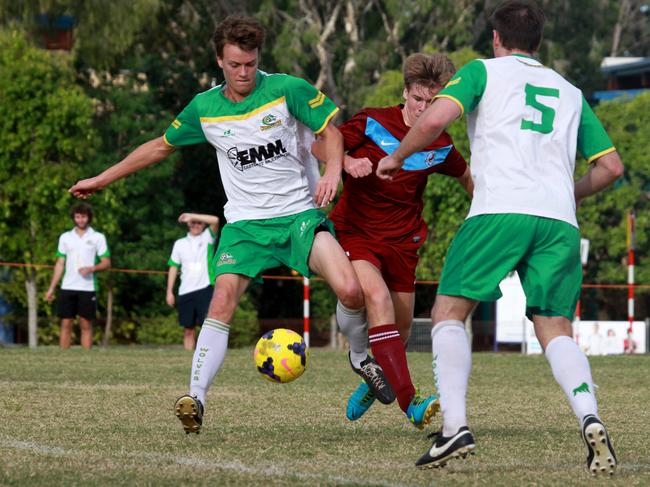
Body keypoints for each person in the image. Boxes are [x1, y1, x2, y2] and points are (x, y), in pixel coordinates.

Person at [69, 15, 408, 436]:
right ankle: (195, 398)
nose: (244, 72)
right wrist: (101, 179)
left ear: (257, 58)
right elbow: (159, 147)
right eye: (234, 65)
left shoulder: (286, 89)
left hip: (298, 216)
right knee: (222, 299)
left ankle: (360, 358)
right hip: (245, 226)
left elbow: (331, 133)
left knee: (351, 290)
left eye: (250, 63)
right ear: (219, 61)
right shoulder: (205, 108)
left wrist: (333, 171)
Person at [377, 0, 623, 474]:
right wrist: (565, 195)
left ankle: (454, 428)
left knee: (448, 312)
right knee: (554, 327)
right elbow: (610, 167)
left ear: (495, 38)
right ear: (538, 43)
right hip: (558, 222)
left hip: (499, 211)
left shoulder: (480, 72)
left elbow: (431, 121)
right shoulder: (570, 91)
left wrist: (398, 157)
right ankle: (589, 415)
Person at [313, 53, 472, 425]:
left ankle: (376, 378)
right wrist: (345, 163)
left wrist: (487, 211)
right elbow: (322, 144)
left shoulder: (441, 145)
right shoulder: (372, 121)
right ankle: (411, 402)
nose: (422, 109)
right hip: (357, 232)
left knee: (398, 335)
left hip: (403, 241)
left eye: (432, 103)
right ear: (405, 93)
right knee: (376, 298)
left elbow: (468, 179)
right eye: (417, 99)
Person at [45, 203, 111, 349]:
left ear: (89, 217)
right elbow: (59, 264)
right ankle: (63, 357)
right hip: (67, 286)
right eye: (78, 217)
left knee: (85, 324)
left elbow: (106, 263)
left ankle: (86, 358)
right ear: (74, 218)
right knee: (65, 323)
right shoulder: (65, 237)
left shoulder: (97, 237)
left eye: (84, 217)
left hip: (87, 287)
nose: (81, 220)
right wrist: (51, 288)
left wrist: (92, 268)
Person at [167, 212, 219, 350]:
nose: (196, 225)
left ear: (203, 225)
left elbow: (215, 220)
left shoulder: (208, 237)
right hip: (185, 291)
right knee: (188, 330)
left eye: (199, 222)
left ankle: (204, 358)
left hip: (205, 288)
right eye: (193, 223)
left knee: (207, 329)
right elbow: (173, 267)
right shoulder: (179, 244)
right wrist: (169, 292)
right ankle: (187, 359)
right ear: (188, 224)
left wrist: (192, 216)